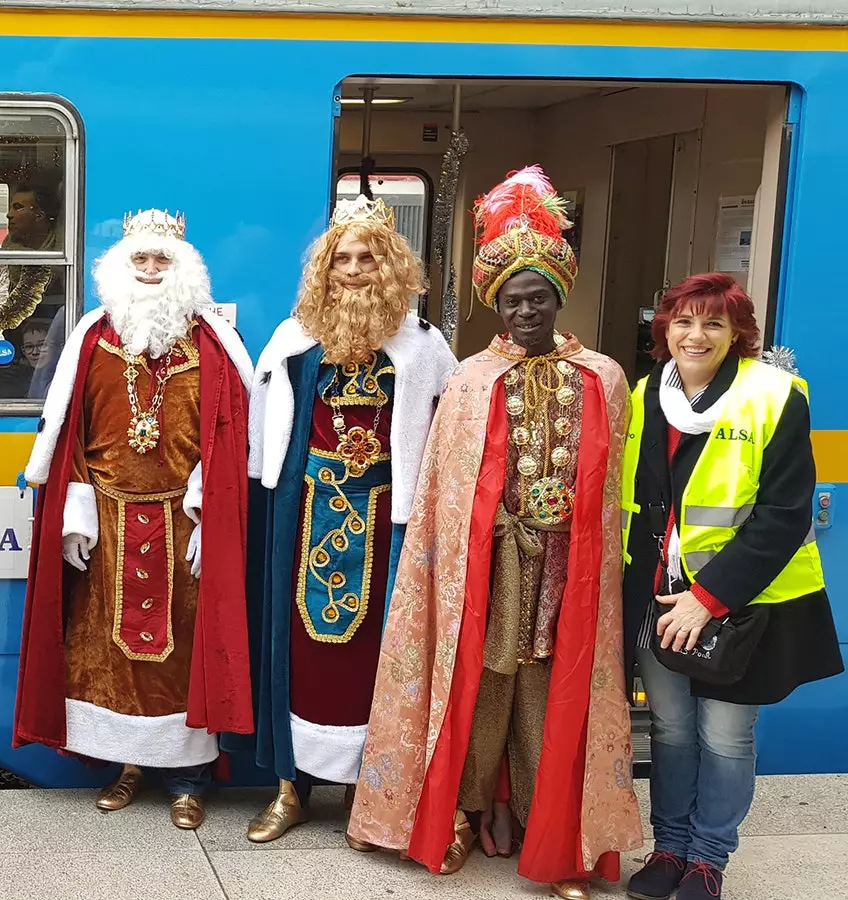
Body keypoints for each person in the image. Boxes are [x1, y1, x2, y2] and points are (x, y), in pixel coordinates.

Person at [346, 166, 641, 900]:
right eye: (514, 301)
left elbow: (611, 489)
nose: (527, 310)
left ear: (558, 299)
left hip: (567, 569)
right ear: (497, 309)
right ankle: (464, 815)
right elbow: (448, 491)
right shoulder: (474, 379)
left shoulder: (602, 375)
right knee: (481, 689)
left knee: (550, 691)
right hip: (492, 565)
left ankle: (556, 837)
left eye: (538, 297)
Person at [14, 209, 254, 830]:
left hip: (183, 523)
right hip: (110, 524)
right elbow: (72, 433)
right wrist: (73, 512)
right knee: (108, 653)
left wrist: (210, 513)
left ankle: (189, 779)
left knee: (184, 650)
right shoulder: (93, 337)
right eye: (140, 261)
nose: (150, 271)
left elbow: (229, 437)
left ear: (183, 270)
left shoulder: (212, 344)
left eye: (161, 261)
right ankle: (126, 766)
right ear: (121, 268)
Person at [236, 196, 455, 843]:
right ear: (324, 270)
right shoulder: (293, 339)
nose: (353, 271)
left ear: (388, 265)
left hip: (388, 520)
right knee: (296, 654)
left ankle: (370, 797)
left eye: (366, 258)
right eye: (342, 260)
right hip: (302, 515)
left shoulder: (424, 346)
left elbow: (444, 433)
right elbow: (265, 434)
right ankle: (289, 789)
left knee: (375, 661)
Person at [621, 273, 842, 900]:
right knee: (669, 727)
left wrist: (708, 596)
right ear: (664, 327)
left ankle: (708, 859)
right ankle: (668, 848)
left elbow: (783, 515)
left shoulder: (776, 396)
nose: (696, 335)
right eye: (683, 322)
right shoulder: (643, 395)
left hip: (739, 604)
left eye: (713, 324)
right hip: (658, 600)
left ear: (736, 335)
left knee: (724, 733)